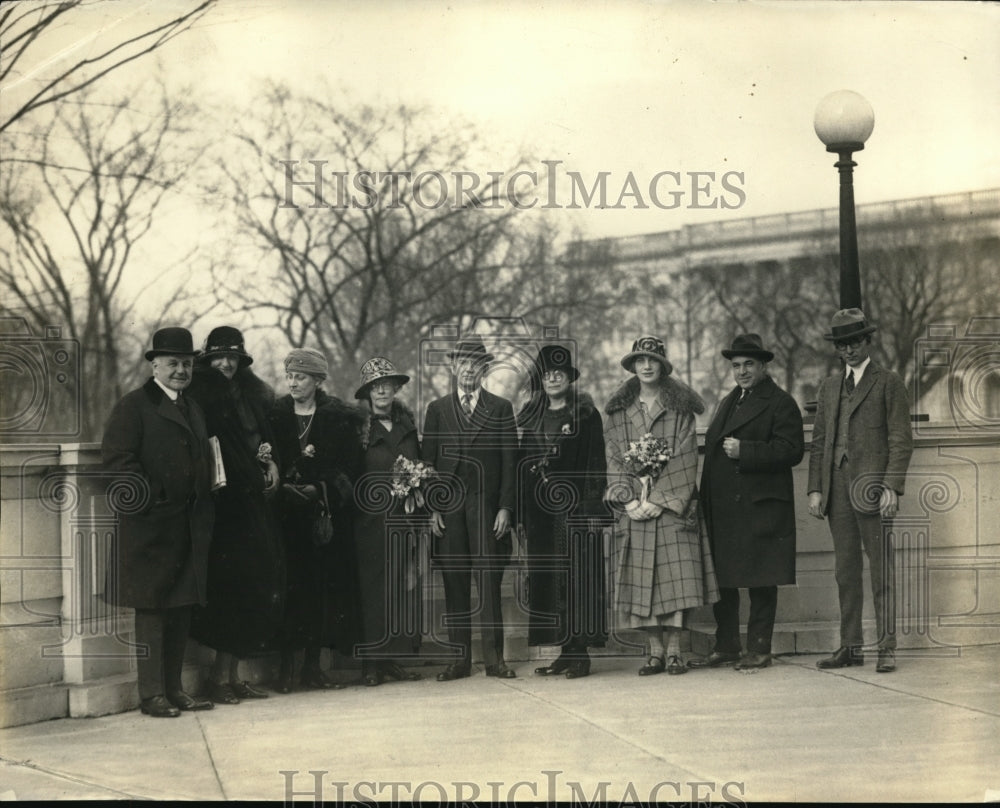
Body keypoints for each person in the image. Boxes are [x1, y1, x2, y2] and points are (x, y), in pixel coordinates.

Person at [102, 327, 215, 717]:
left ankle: (174, 689)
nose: (181, 371)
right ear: (154, 366)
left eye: (187, 364)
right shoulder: (133, 406)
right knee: (151, 609)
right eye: (172, 363)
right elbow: (117, 463)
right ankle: (152, 695)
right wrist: (155, 498)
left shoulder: (192, 407)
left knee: (181, 607)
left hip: (188, 526)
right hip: (151, 528)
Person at [604, 335, 719, 676]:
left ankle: (674, 652)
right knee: (643, 583)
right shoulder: (619, 412)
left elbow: (686, 456)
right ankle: (654, 652)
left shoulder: (680, 410)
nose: (646, 366)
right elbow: (612, 457)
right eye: (640, 360)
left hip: (671, 510)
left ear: (663, 365)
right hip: (635, 509)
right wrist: (629, 501)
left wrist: (660, 500)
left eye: (652, 360)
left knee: (676, 581)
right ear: (633, 366)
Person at [808, 309, 913, 673]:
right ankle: (851, 647)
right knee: (845, 572)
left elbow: (901, 440)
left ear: (868, 340)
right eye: (842, 345)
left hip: (873, 490)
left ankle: (887, 647)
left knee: (881, 571)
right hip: (836, 490)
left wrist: (891, 487)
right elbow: (820, 442)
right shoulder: (829, 387)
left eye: (854, 342)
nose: (849, 350)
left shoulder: (889, 382)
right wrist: (815, 489)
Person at [694, 334, 804, 671]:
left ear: (763, 366)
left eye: (748, 365)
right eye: (736, 365)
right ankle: (727, 645)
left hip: (759, 507)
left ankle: (759, 649)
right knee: (723, 580)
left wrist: (746, 451)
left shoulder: (780, 402)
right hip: (726, 509)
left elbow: (792, 450)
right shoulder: (730, 401)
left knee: (761, 580)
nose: (741, 371)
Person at [186, 326, 284, 704]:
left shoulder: (251, 394)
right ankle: (218, 678)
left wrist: (271, 462)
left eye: (232, 357)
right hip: (224, 505)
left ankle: (233, 675)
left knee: (253, 585)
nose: (226, 364)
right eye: (219, 357)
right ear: (208, 359)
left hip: (254, 502)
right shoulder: (200, 394)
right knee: (228, 588)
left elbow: (263, 438)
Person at [421, 335, 518, 681]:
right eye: (462, 363)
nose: (468, 370)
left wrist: (505, 508)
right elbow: (427, 463)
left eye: (475, 364)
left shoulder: (500, 408)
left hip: (486, 507)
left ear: (484, 369)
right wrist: (432, 508)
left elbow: (510, 463)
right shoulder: (437, 409)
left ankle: (495, 660)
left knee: (489, 582)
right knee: (454, 582)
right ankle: (459, 661)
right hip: (449, 510)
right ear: (453, 367)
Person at [269, 348, 366, 692]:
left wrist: (321, 489)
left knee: (320, 591)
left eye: (301, 377)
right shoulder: (274, 415)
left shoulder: (339, 418)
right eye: (290, 376)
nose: (293, 383)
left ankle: (312, 668)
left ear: (318, 380)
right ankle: (285, 669)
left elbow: (351, 470)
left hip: (321, 520)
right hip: (282, 518)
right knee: (287, 591)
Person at [517, 344, 609, 679]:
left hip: (575, 510)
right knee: (550, 581)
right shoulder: (532, 415)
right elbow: (522, 464)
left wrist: (591, 508)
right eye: (547, 374)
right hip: (541, 515)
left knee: (578, 580)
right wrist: (522, 515)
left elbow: (596, 462)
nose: (553, 378)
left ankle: (580, 654)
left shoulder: (586, 415)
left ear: (569, 378)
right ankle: (563, 652)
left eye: (560, 373)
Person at [352, 357, 424, 686]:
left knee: (400, 589)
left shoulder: (408, 427)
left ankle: (392, 658)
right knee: (372, 591)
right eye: (375, 387)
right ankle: (371, 663)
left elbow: (420, 466)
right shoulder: (359, 429)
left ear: (395, 389)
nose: (382, 391)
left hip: (403, 521)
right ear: (368, 393)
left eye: (387, 385)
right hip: (369, 522)